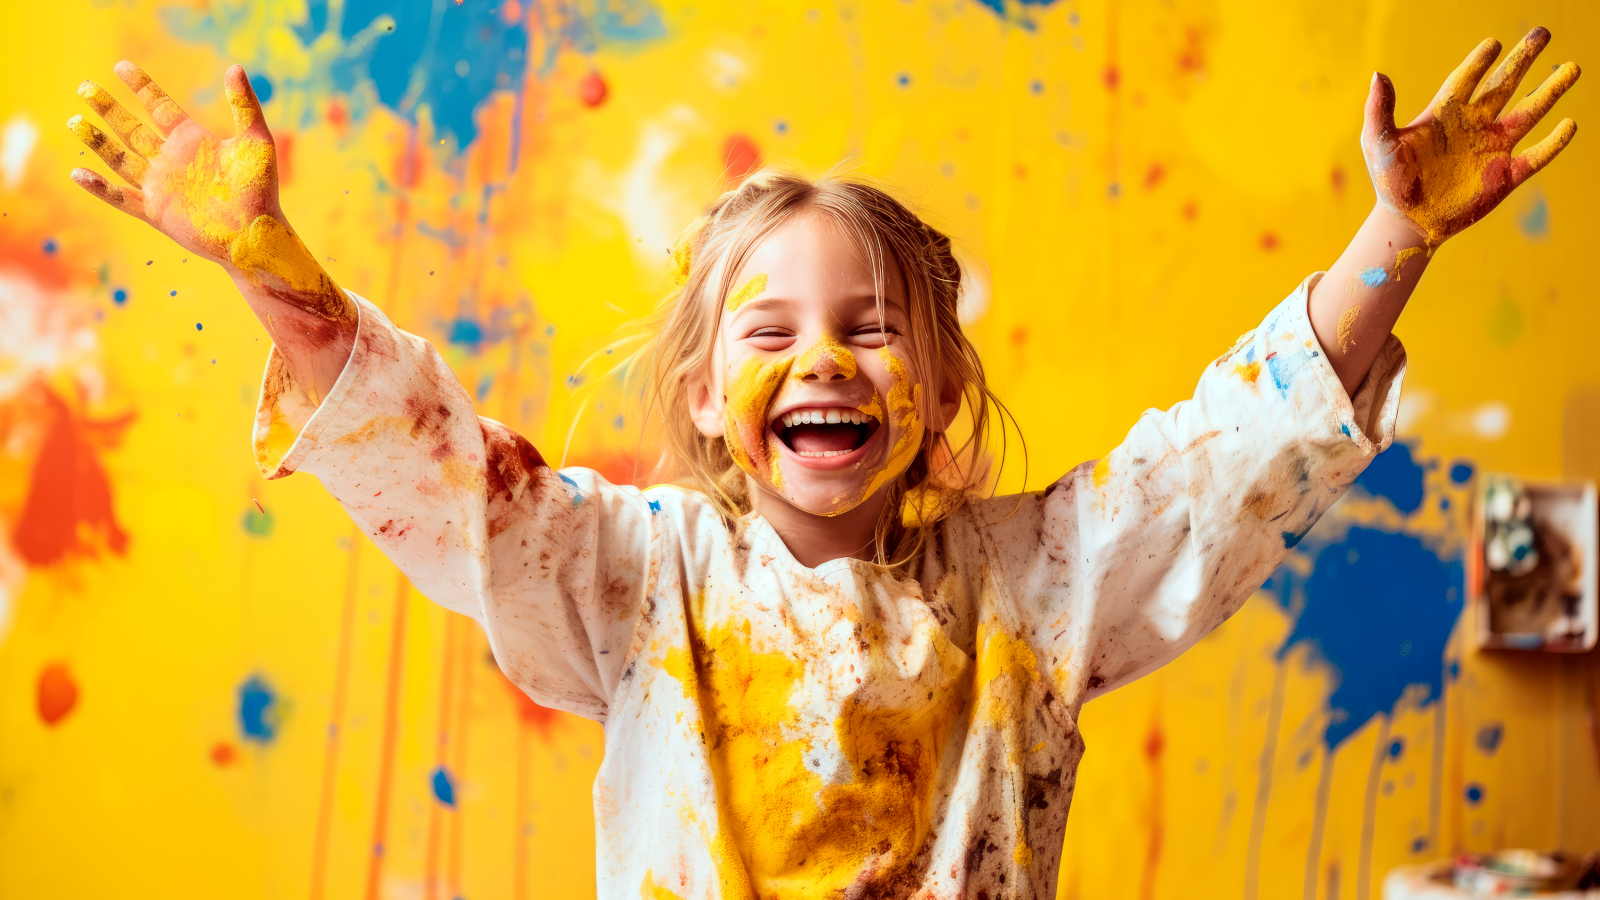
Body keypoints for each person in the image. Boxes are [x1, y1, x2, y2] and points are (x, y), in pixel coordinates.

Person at [64, 29, 1578, 899]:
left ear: (936, 388)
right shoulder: (632, 575)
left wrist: (1391, 242)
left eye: (873, 329)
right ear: (711, 404)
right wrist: (282, 277)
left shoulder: (1037, 587)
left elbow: (1224, 461)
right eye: (771, 330)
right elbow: (436, 463)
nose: (827, 360)